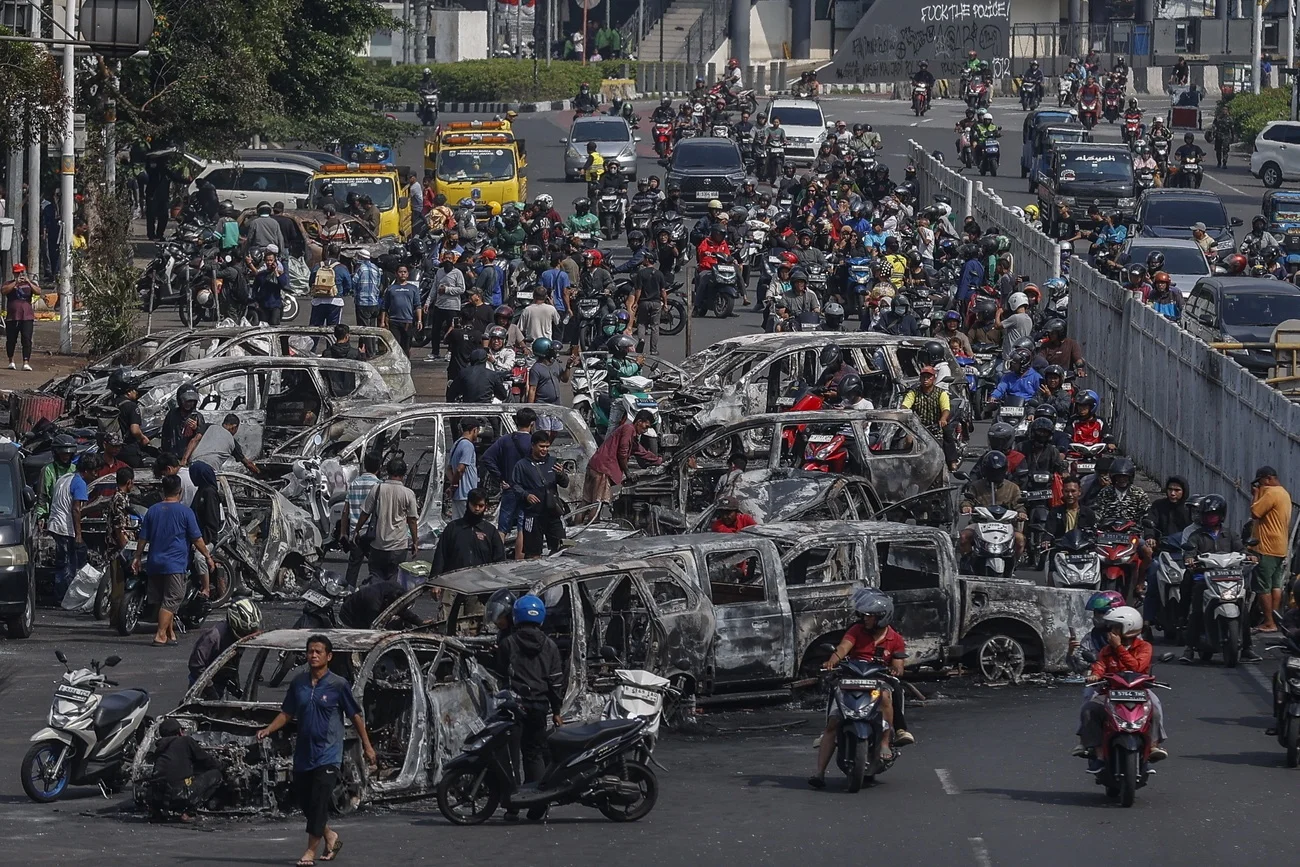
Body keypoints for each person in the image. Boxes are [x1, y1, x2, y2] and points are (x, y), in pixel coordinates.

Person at [257, 635, 377, 867]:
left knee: (319, 800)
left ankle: (310, 852)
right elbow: (287, 713)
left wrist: (367, 746)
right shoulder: (298, 683)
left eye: (318, 652)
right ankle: (330, 836)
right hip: (303, 753)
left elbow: (355, 716)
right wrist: (268, 729)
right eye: (310, 651)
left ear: (328, 656)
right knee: (306, 802)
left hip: (329, 754)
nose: (313, 655)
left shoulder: (338, 685)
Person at [808, 588, 910, 789]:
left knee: (888, 697)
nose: (865, 619)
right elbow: (843, 648)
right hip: (851, 679)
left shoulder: (895, 638)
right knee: (833, 723)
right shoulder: (856, 630)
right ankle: (819, 773)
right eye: (864, 615)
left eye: (869, 616)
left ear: (882, 617)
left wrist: (895, 670)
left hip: (878, 681)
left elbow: (899, 665)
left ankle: (885, 740)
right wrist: (832, 661)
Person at [1074, 605, 1166, 771]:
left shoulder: (1144, 647)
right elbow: (1100, 665)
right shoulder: (1106, 650)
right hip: (1111, 691)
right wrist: (1095, 674)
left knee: (1156, 707)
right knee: (1089, 709)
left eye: (1116, 627)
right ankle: (1098, 753)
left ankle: (1152, 746)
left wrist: (1119, 648)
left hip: (1139, 691)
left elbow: (1137, 667)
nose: (1111, 631)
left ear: (1129, 627)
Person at [133, 474, 216, 647]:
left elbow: (142, 538)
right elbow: (197, 539)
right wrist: (208, 556)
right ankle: (160, 634)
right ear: (181, 490)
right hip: (174, 564)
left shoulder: (152, 511)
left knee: (164, 599)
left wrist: (137, 557)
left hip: (154, 562)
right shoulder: (185, 512)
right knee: (173, 599)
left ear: (163, 491)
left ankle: (170, 633)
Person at [497, 594, 566, 802]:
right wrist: (556, 711)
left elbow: (499, 676)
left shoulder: (508, 643)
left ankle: (512, 805)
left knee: (511, 756)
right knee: (534, 754)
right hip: (539, 707)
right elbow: (555, 683)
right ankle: (538, 802)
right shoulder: (551, 646)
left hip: (514, 707)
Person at [353, 458, 420, 583]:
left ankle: (376, 601)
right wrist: (415, 542)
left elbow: (365, 514)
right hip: (398, 545)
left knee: (376, 577)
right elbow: (412, 520)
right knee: (394, 579)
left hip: (378, 544)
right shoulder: (408, 493)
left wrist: (356, 530)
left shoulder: (377, 489)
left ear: (387, 471)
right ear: (403, 474)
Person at [583, 410, 661, 509]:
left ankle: (576, 524)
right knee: (597, 505)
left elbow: (642, 452)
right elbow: (622, 454)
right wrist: (628, 473)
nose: (645, 430)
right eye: (646, 426)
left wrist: (659, 460)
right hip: (603, 469)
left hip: (595, 466)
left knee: (585, 503)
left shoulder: (630, 434)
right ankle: (594, 523)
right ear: (639, 421)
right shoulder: (628, 430)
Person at [149, 718, 224, 821]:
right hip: (180, 795)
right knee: (216, 775)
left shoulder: (158, 748)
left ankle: (159, 813)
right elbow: (207, 761)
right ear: (180, 732)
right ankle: (189, 813)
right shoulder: (186, 741)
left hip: (157, 798)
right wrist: (222, 766)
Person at [48, 456, 101, 600]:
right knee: (67, 565)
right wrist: (78, 534)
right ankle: (65, 598)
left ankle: (61, 596)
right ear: (85, 471)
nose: (95, 475)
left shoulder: (65, 478)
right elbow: (76, 509)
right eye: (93, 472)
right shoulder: (80, 483)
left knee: (63, 563)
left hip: (55, 524)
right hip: (64, 527)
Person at [511, 430, 569, 559]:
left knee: (561, 548)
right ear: (533, 445)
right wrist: (526, 495)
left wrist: (561, 474)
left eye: (547, 447)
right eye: (541, 446)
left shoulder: (553, 462)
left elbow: (565, 483)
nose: (544, 450)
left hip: (553, 513)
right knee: (533, 553)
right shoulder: (522, 465)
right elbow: (515, 485)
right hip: (533, 515)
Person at [959, 451, 1026, 558]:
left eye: (998, 471)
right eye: (992, 471)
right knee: (964, 537)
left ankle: (1013, 565)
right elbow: (968, 500)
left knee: (1020, 540)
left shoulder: (1013, 488)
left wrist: (1021, 513)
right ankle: (967, 562)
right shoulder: (976, 486)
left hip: (1006, 525)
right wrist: (966, 506)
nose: (995, 474)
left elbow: (1019, 504)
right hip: (980, 524)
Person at [187, 598, 262, 694]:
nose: (247, 637)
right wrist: (209, 688)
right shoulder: (213, 637)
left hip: (221, 678)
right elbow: (195, 665)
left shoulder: (241, 635)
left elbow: (234, 660)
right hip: (201, 681)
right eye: (244, 633)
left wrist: (234, 681)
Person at [482, 408, 537, 537]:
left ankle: (498, 556)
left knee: (503, 528)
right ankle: (520, 556)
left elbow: (487, 458)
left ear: (516, 421)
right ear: (532, 423)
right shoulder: (534, 443)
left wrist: (500, 478)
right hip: (527, 491)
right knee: (522, 528)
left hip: (509, 488)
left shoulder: (505, 440)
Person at [1249, 466, 1292, 634]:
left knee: (1263, 587)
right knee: (1276, 586)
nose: (1260, 485)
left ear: (1267, 479)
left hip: (1265, 547)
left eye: (1260, 482)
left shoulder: (1270, 492)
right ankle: (1274, 620)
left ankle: (1268, 622)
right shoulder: (1284, 493)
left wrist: (1256, 494)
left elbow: (1255, 512)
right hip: (1280, 547)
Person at [430, 488, 505, 575]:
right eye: (474, 505)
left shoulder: (490, 531)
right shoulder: (453, 528)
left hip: (482, 582)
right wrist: (436, 581)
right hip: (454, 580)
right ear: (468, 503)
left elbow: (499, 560)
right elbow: (440, 556)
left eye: (480, 506)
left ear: (486, 506)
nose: (477, 509)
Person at [901, 366, 956, 468]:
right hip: (918, 427)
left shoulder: (941, 393)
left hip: (936, 425)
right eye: (923, 377)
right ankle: (904, 462)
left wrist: (943, 419)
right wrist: (902, 411)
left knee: (948, 435)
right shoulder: (913, 393)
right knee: (908, 440)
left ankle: (952, 461)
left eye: (928, 377)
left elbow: (946, 409)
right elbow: (905, 405)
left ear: (933, 378)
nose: (925, 379)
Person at [1092, 457, 1149, 525]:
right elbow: (1097, 512)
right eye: (1119, 477)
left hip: (1132, 531)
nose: (1121, 480)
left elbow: (1146, 513)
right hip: (1109, 530)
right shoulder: (1105, 492)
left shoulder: (1139, 493)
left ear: (1130, 477)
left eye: (1125, 477)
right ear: (1113, 478)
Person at [1, 263, 37, 370]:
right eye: (18, 272)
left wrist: (29, 282)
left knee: (27, 339)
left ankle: (26, 362)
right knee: (11, 340)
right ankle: (11, 360)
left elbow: (38, 291)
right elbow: (3, 291)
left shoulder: (29, 284)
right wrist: (16, 282)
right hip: (12, 317)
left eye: (22, 272)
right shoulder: (9, 283)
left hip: (27, 317)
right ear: (14, 273)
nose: (20, 274)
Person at [381, 264, 421, 357]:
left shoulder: (413, 288)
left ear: (407, 274)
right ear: (396, 274)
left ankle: (406, 365)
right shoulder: (391, 289)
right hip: (394, 321)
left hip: (408, 322)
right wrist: (383, 322)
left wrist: (419, 320)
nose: (402, 274)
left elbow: (418, 306)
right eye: (400, 272)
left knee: (406, 347)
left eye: (404, 272)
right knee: (395, 346)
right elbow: (384, 307)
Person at [162, 386, 205, 462]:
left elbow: (202, 437)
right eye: (186, 401)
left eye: (192, 401)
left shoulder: (198, 416)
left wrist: (195, 428)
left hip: (189, 456)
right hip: (173, 454)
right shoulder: (172, 414)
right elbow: (165, 434)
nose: (189, 404)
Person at [525, 337, 572, 405]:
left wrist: (568, 366)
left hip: (557, 403)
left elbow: (564, 379)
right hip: (542, 405)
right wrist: (531, 408)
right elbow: (532, 390)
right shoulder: (536, 369)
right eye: (552, 350)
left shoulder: (555, 363)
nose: (555, 352)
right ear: (545, 352)